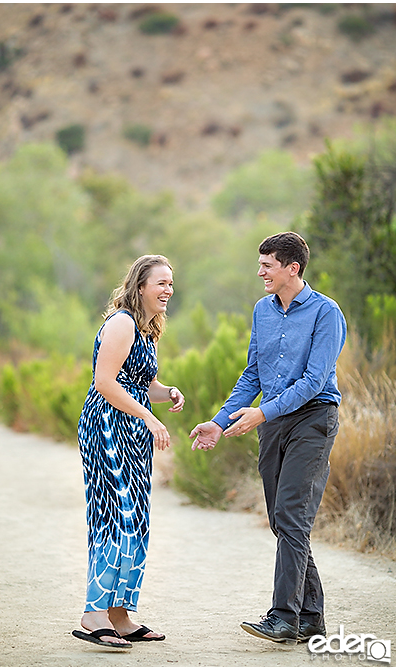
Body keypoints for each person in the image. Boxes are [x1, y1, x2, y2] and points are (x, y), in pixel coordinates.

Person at [190, 231, 346, 645]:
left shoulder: (326, 313)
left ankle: (283, 617)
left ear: (292, 268)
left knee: (292, 517)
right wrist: (220, 422)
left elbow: (315, 380)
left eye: (267, 265)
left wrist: (262, 412)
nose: (260, 271)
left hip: (313, 419)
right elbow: (253, 375)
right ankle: (311, 617)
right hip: (273, 421)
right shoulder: (262, 310)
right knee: (283, 520)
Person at [72, 255, 184, 650]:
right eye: (161, 283)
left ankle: (120, 613)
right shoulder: (121, 322)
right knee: (112, 517)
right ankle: (94, 611)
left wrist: (166, 393)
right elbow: (105, 382)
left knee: (136, 518)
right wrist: (151, 419)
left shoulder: (147, 330)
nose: (168, 290)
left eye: (171, 283)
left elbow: (141, 384)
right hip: (107, 426)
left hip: (133, 428)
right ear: (140, 287)